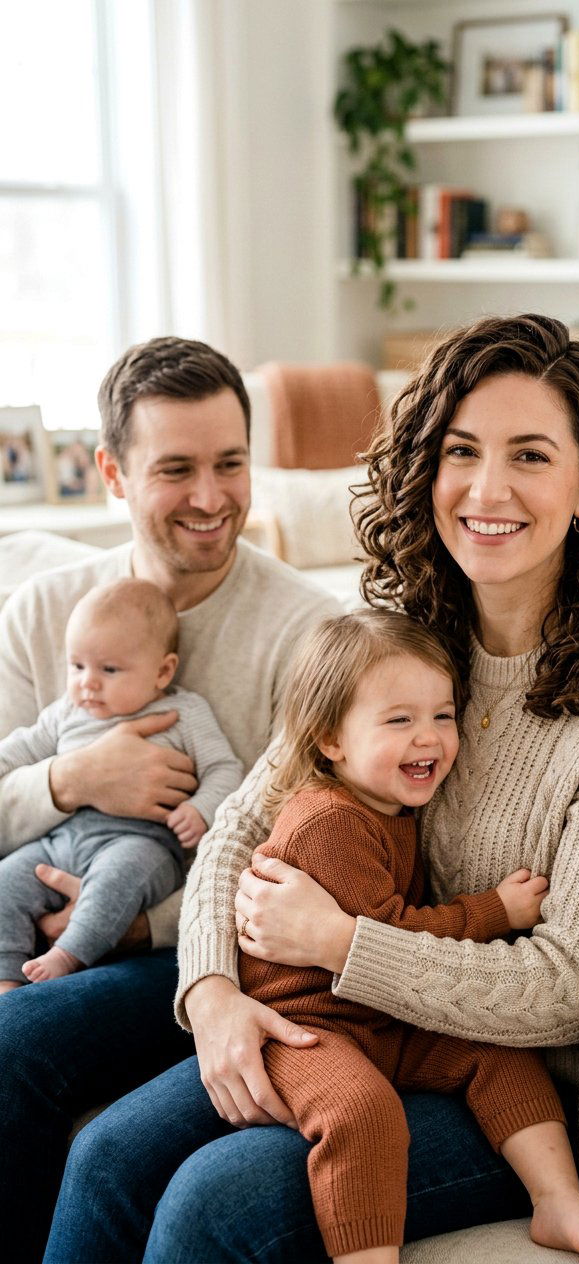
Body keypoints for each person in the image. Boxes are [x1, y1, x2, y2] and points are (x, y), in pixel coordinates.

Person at [47, 313, 579, 1263]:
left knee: (213, 1203)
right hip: (350, 1022)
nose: (487, 488)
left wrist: (342, 941)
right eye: (461, 451)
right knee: (108, 1155)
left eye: (530, 454)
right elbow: (244, 819)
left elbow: (566, 988)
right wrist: (211, 992)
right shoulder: (409, 633)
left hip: (515, 1082)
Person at [0, 335, 340, 1263]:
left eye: (231, 464)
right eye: (176, 469)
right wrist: (72, 780)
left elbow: (301, 863)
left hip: (191, 953)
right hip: (35, 904)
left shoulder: (308, 634)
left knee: (11, 1040)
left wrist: (136, 928)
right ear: (113, 471)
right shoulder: (42, 613)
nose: (210, 497)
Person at [239, 607, 579, 1264]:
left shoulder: (389, 802)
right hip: (307, 1025)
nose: (430, 739)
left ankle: (557, 1199)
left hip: (382, 1016)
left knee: (498, 1051)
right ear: (331, 739)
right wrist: (494, 913)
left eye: (442, 716)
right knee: (362, 1113)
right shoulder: (329, 822)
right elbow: (389, 934)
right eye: (399, 720)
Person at [0, 578, 243, 990]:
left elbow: (225, 769)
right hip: (59, 841)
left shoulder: (184, 712)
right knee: (6, 880)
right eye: (77, 666)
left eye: (109, 670)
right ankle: (7, 976)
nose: (87, 683)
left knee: (117, 879)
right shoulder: (66, 713)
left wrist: (200, 808)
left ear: (163, 671)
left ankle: (68, 954)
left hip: (141, 842)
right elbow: (17, 752)